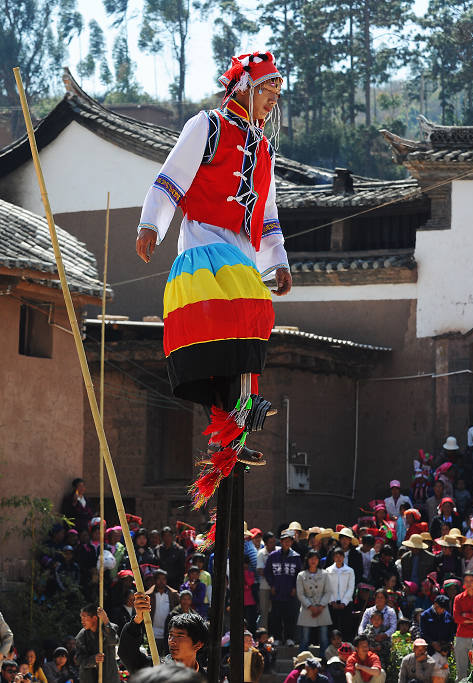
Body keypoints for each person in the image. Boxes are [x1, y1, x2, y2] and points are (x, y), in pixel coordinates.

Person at [135, 51, 291, 515]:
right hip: (204, 249)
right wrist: (151, 225)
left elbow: (266, 215)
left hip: (242, 257)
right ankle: (232, 422)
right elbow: (170, 181)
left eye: (276, 94)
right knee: (232, 332)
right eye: (266, 90)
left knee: (250, 330)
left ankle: (234, 432)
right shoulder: (207, 127)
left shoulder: (264, 149)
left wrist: (279, 261)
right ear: (242, 86)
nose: (271, 101)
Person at [118, 593, 207, 675]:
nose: (172, 641)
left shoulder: (205, 678)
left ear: (198, 645)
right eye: (171, 635)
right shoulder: (155, 668)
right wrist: (137, 620)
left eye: (180, 636)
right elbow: (126, 653)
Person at [267, 530, 302, 645]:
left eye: (289, 541)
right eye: (285, 541)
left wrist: (294, 587)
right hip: (276, 591)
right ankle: (277, 638)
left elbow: (299, 574)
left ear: (292, 542)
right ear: (281, 542)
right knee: (276, 616)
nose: (287, 543)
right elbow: (268, 572)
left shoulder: (296, 557)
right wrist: (271, 585)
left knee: (290, 616)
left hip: (290, 592)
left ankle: (289, 638)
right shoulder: (273, 556)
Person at [297, 550, 332, 651]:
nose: (313, 561)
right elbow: (300, 593)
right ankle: (302, 659)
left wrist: (320, 607)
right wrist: (311, 607)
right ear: (307, 560)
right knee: (305, 637)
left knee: (324, 637)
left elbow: (328, 592)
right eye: (311, 558)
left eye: (316, 558)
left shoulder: (325, 574)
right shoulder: (301, 575)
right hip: (307, 608)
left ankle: (324, 660)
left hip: (322, 608)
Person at [75, 605, 118, 683]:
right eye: (81, 618)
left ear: (94, 618)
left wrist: (105, 620)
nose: (82, 621)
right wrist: (93, 659)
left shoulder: (109, 628)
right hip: (89, 678)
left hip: (109, 677)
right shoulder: (81, 636)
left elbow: (113, 640)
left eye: (84, 618)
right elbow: (78, 659)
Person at [145, 570, 181, 653]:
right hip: (153, 632)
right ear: (155, 580)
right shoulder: (149, 595)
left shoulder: (173, 595)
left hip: (169, 633)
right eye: (159, 579)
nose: (161, 581)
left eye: (164, 579)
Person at [325, 549, 356, 639]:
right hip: (332, 603)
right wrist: (332, 601)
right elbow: (327, 587)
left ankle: (346, 647)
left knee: (346, 627)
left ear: (343, 557)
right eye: (336, 556)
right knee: (332, 627)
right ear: (333, 558)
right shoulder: (328, 570)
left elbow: (351, 587)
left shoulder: (350, 571)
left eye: (340, 556)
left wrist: (344, 602)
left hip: (346, 603)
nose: (338, 558)